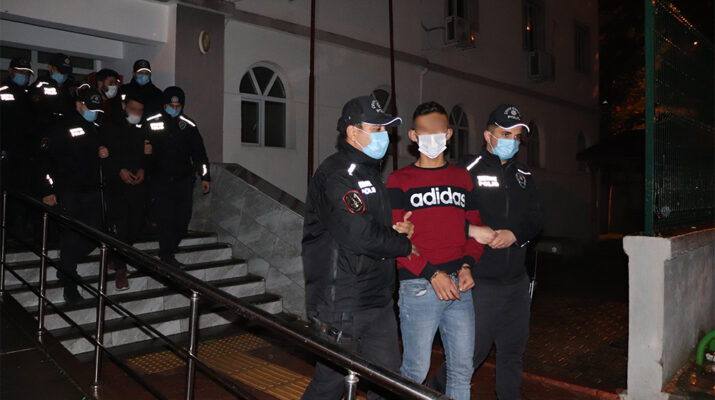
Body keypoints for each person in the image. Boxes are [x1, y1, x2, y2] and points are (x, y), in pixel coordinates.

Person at [301, 94, 417, 400]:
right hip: (342, 301)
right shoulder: (337, 174)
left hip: (376, 299)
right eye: (376, 129)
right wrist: (402, 244)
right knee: (330, 384)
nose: (384, 136)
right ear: (353, 132)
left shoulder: (370, 173)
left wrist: (392, 231)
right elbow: (358, 234)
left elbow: (368, 225)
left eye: (385, 129)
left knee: (387, 382)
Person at [432, 104, 543, 400]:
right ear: (488, 135)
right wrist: (474, 232)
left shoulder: (523, 174)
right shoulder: (466, 170)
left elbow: (536, 218)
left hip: (516, 281)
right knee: (472, 352)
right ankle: (432, 392)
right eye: (505, 134)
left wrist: (515, 235)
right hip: (479, 280)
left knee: (513, 351)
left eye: (517, 136)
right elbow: (444, 216)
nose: (512, 141)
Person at [386, 101, 486, 400]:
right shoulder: (398, 180)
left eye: (438, 131)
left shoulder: (462, 178)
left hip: (460, 286)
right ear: (413, 136)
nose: (432, 137)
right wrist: (432, 274)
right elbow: (396, 240)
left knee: (461, 371)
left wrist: (467, 265)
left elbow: (475, 228)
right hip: (419, 284)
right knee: (415, 372)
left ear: (449, 133)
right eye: (424, 132)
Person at [39, 88, 109, 305]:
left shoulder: (96, 127)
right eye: (90, 108)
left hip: (91, 190)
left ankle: (65, 267)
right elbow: (44, 159)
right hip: (68, 190)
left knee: (95, 234)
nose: (94, 114)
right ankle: (70, 286)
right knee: (71, 236)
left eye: (97, 111)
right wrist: (47, 189)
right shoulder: (60, 127)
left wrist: (104, 154)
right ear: (79, 104)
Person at [144, 86, 210, 268]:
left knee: (183, 219)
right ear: (164, 104)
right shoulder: (151, 122)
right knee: (165, 218)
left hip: (183, 181)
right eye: (171, 105)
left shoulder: (188, 125)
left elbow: (199, 153)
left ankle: (169, 250)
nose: (174, 108)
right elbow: (140, 148)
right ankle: (167, 255)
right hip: (160, 180)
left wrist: (205, 177)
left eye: (178, 105)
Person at [101, 90, 151, 290]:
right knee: (120, 225)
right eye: (133, 109)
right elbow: (104, 156)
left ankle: (115, 258)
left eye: (140, 110)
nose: (136, 113)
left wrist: (143, 168)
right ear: (124, 106)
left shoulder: (142, 128)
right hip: (116, 185)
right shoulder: (110, 126)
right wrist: (119, 170)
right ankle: (120, 269)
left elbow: (147, 154)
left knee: (136, 225)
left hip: (137, 184)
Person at [1, 58, 38, 238]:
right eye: (20, 72)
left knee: (22, 193)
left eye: (26, 73)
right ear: (11, 71)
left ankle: (18, 231)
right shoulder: (3, 91)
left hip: (25, 153)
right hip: (6, 152)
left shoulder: (29, 95)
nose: (24, 76)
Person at [31, 53, 77, 130]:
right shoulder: (39, 86)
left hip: (64, 130)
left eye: (66, 71)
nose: (63, 74)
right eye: (59, 70)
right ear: (50, 67)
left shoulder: (69, 88)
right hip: (44, 130)